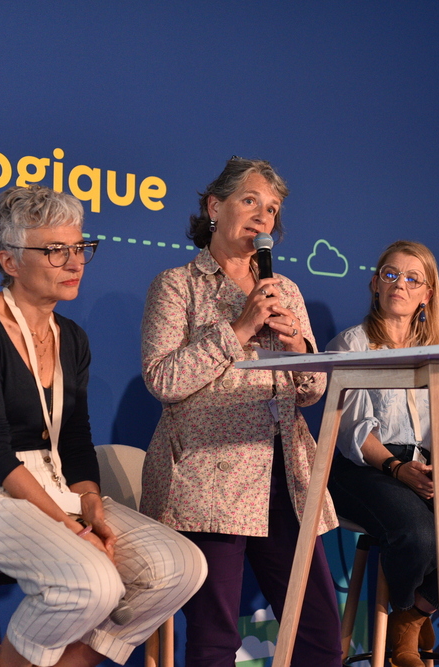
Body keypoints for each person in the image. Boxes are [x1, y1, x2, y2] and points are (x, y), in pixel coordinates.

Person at [0, 185, 206, 667]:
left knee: (181, 567)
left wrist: (90, 501)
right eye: (55, 251)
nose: (75, 263)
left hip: (53, 484)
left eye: (79, 248)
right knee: (92, 581)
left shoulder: (71, 336)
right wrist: (69, 527)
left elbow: (73, 437)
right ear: (10, 262)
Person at [140, 158, 341, 667]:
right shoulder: (176, 285)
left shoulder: (285, 288)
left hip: (285, 477)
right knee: (214, 637)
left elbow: (312, 390)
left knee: (317, 632)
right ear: (214, 207)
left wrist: (299, 346)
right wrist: (239, 330)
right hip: (209, 479)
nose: (262, 216)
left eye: (271, 209)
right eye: (250, 201)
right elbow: (163, 380)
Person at [326, 240, 439, 667]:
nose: (399, 285)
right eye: (390, 274)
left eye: (411, 278)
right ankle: (405, 622)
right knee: (420, 535)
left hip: (425, 463)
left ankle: (412, 615)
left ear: (427, 293)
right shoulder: (352, 342)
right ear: (374, 283)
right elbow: (352, 431)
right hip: (363, 465)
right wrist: (397, 467)